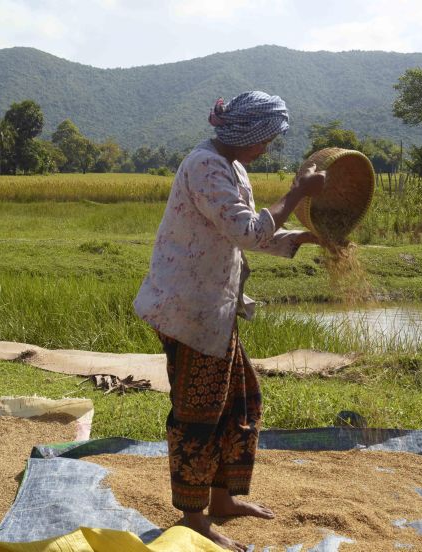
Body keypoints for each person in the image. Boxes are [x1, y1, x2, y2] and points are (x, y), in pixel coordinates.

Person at [133, 91, 326, 551]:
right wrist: (298, 191)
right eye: (266, 140)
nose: (267, 149)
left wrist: (296, 237)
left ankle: (221, 499)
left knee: (240, 401)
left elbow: (247, 236)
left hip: (215, 309)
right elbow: (244, 230)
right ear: (247, 134)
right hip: (187, 309)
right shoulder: (204, 167)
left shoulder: (234, 169)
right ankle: (193, 517)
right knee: (198, 414)